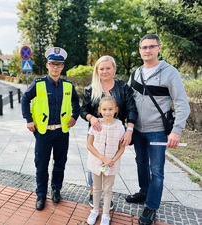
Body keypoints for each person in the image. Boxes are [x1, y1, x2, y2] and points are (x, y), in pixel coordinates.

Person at [126, 34, 190, 225]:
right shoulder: (136, 73)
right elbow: (128, 100)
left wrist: (177, 130)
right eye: (144, 47)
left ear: (158, 48)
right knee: (140, 163)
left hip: (157, 131)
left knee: (157, 170)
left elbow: (181, 103)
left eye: (151, 47)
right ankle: (144, 192)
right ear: (140, 50)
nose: (147, 50)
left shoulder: (170, 73)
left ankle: (151, 207)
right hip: (137, 130)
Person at [21, 47, 80, 211]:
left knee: (60, 162)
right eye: (53, 64)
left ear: (62, 67)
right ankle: (40, 194)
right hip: (43, 132)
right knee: (41, 165)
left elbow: (76, 102)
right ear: (47, 65)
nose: (55, 67)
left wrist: (75, 116)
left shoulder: (68, 85)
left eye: (59, 64)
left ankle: (56, 189)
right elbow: (25, 99)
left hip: (62, 132)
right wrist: (29, 120)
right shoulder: (38, 84)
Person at [80, 55, 138, 208]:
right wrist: (91, 118)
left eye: (108, 68)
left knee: (111, 161)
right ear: (97, 71)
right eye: (101, 68)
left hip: (115, 131)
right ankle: (93, 191)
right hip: (96, 131)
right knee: (94, 162)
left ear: (114, 69)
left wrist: (129, 130)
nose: (105, 71)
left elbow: (132, 109)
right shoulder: (90, 88)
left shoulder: (123, 87)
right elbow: (83, 110)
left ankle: (106, 192)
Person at [86, 96, 126, 225]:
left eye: (110, 109)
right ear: (99, 110)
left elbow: (121, 148)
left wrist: (112, 160)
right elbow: (89, 145)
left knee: (108, 190)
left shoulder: (119, 126)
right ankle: (95, 210)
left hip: (111, 164)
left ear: (116, 110)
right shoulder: (96, 124)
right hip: (96, 162)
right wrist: (103, 158)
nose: (107, 112)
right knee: (96, 188)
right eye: (104, 109)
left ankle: (106, 214)